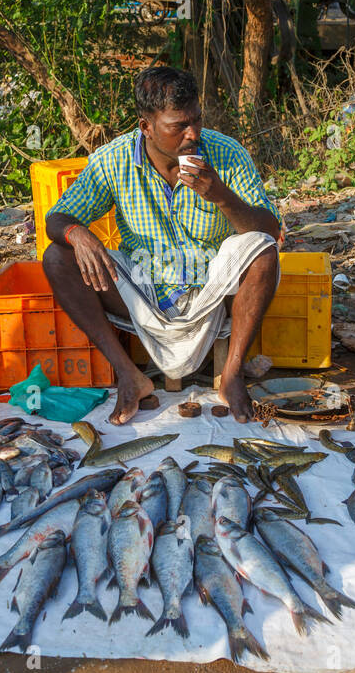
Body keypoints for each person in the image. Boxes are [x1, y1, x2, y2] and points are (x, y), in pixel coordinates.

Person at [43, 67, 281, 425]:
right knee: (58, 257)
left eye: (197, 120)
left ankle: (232, 375)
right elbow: (56, 219)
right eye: (179, 126)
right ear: (146, 127)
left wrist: (220, 195)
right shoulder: (113, 160)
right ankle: (128, 375)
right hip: (143, 288)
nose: (193, 134)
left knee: (261, 251)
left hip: (212, 291)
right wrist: (78, 234)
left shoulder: (225, 154)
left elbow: (269, 229)